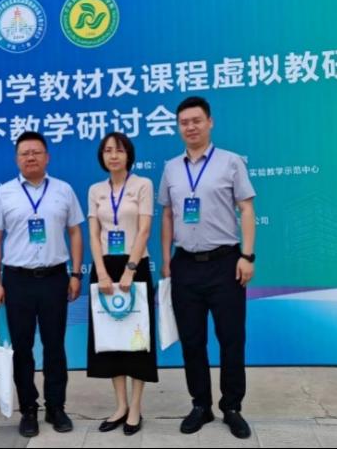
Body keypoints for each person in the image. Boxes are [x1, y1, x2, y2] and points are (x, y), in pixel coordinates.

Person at [158, 97, 257, 439]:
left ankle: (232, 406)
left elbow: (246, 209)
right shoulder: (172, 168)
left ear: (210, 122)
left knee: (231, 338)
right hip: (185, 265)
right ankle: (201, 404)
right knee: (192, 341)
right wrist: (166, 259)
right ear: (178, 127)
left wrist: (247, 256)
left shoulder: (231, 162)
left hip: (225, 264)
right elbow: (167, 214)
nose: (191, 127)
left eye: (196, 120)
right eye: (184, 122)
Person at [0, 131, 85, 438]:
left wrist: (76, 274)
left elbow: (75, 232)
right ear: (17, 159)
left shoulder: (64, 190)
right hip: (17, 281)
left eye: (36, 152)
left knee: (55, 346)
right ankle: (28, 409)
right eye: (24, 153)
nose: (30, 157)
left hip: (55, 278)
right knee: (23, 349)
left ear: (47, 157)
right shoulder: (4, 193)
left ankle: (56, 407)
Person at [87, 132, 158, 436]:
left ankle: (136, 407)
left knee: (136, 339)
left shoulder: (142, 185)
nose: (113, 156)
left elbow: (144, 230)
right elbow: (93, 234)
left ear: (129, 154)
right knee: (111, 336)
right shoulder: (96, 190)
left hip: (134, 265)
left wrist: (131, 268)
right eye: (107, 151)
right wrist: (102, 272)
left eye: (118, 150)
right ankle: (120, 406)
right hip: (104, 267)